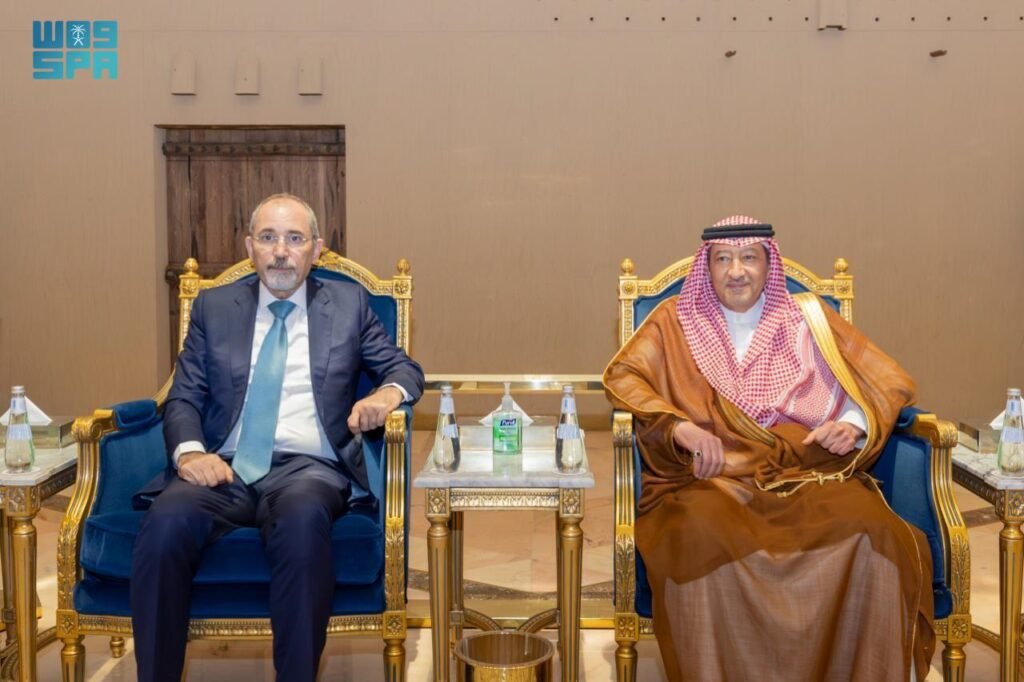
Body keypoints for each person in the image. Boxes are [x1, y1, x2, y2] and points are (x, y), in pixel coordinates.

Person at [603, 216, 934, 681]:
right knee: (699, 537)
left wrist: (852, 424)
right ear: (707, 267)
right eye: (723, 259)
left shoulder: (809, 318)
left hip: (804, 473)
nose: (736, 271)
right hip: (712, 478)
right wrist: (680, 427)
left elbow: (888, 380)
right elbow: (623, 377)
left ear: (768, 264)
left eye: (748, 258)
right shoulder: (674, 320)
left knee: (873, 533)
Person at [130, 193, 424, 682]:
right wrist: (191, 454)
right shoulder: (214, 307)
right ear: (250, 247)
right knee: (164, 526)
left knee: (303, 525)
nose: (281, 251)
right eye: (268, 238)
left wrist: (386, 395)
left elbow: (405, 369)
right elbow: (183, 397)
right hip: (223, 466)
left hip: (309, 470)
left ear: (316, 249)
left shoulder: (348, 304)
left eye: (294, 238)